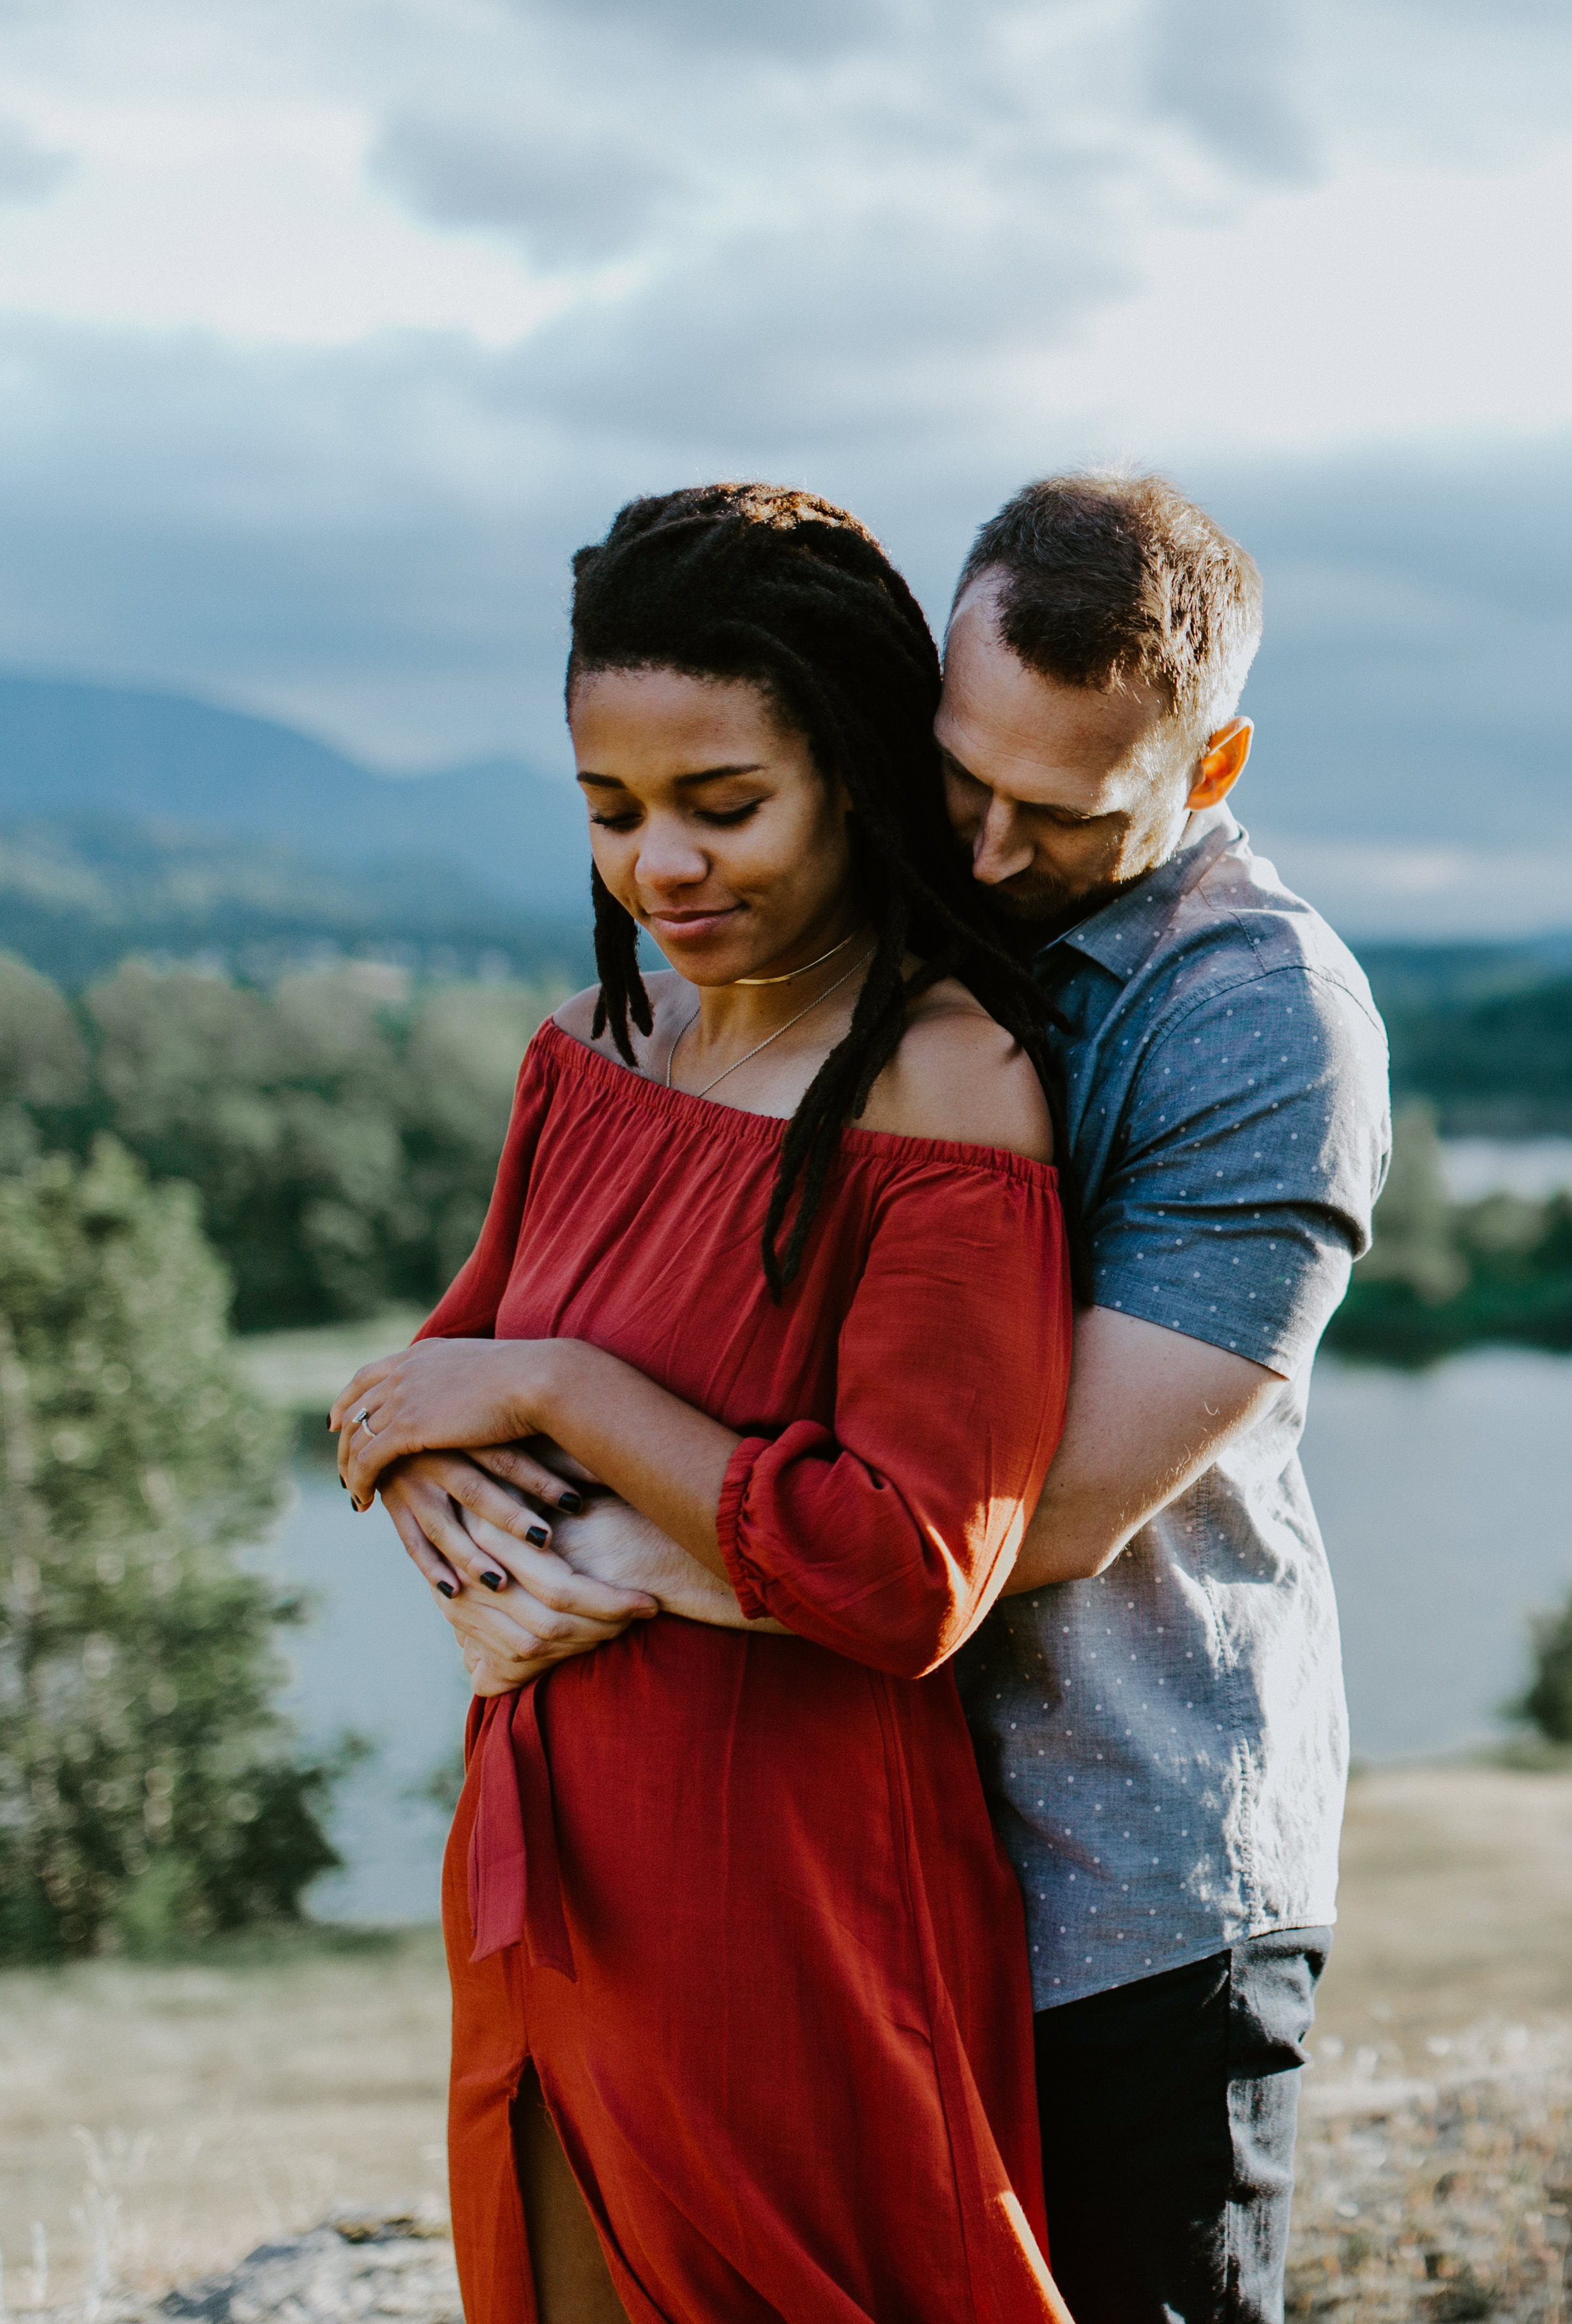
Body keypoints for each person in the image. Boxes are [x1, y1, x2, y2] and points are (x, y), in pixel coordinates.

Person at [377, 471, 1390, 2324]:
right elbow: (466, 1358)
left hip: (1126, 1859)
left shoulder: (1254, 1019)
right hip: (837, 1841)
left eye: (1061, 813)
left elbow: (1040, 1518)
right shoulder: (789, 977)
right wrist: (442, 1483)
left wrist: (595, 1530)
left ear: (1211, 766)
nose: (991, 851)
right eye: (960, 779)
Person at [335, 482, 1081, 2323]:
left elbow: (908, 1571)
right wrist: (435, 1493)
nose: (660, 865)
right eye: (613, 813)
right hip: (547, 1836)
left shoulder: (946, 1086)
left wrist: (566, 1395)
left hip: (787, 1892)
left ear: (854, 774)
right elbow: (410, 1393)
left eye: (721, 806)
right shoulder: (594, 1051)